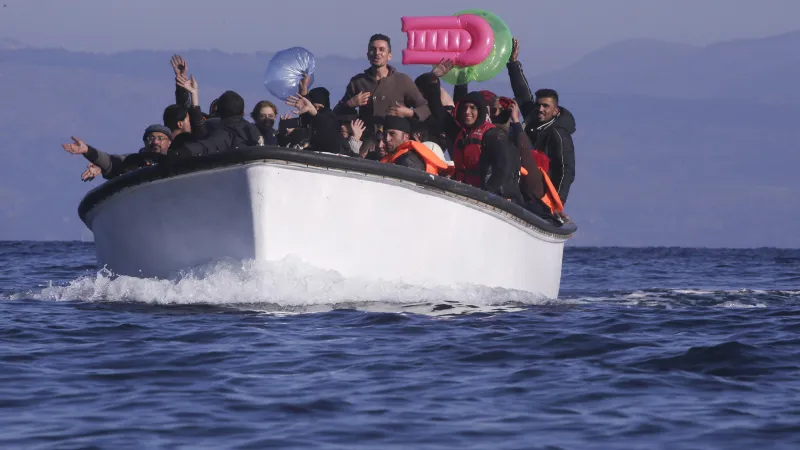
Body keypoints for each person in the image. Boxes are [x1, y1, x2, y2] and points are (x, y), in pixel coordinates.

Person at [506, 38, 576, 204]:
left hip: (543, 197)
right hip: (523, 189)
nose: (541, 109)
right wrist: (513, 64)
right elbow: (522, 93)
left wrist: (557, 203)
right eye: (538, 105)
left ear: (555, 111)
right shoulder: (533, 119)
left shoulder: (558, 134)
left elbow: (566, 171)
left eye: (546, 106)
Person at [334, 34, 430, 128]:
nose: (377, 53)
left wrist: (409, 113)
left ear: (389, 56)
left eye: (382, 49)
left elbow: (425, 108)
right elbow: (336, 111)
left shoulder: (402, 80)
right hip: (367, 135)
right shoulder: (358, 82)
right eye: (373, 49)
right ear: (368, 55)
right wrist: (350, 103)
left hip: (394, 135)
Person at [169, 90, 264, 158]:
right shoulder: (254, 131)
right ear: (243, 112)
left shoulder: (219, 130)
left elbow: (206, 146)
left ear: (219, 113)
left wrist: (178, 154)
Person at [61, 124, 172, 179]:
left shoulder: (176, 159)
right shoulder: (132, 161)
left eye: (161, 138)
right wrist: (87, 150)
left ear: (169, 143)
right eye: (150, 138)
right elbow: (110, 162)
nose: (155, 142)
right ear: (145, 142)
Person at [380, 116, 448, 175]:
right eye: (385, 135)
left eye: (392, 134)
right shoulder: (394, 157)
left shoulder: (408, 159)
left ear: (406, 137)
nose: (387, 139)